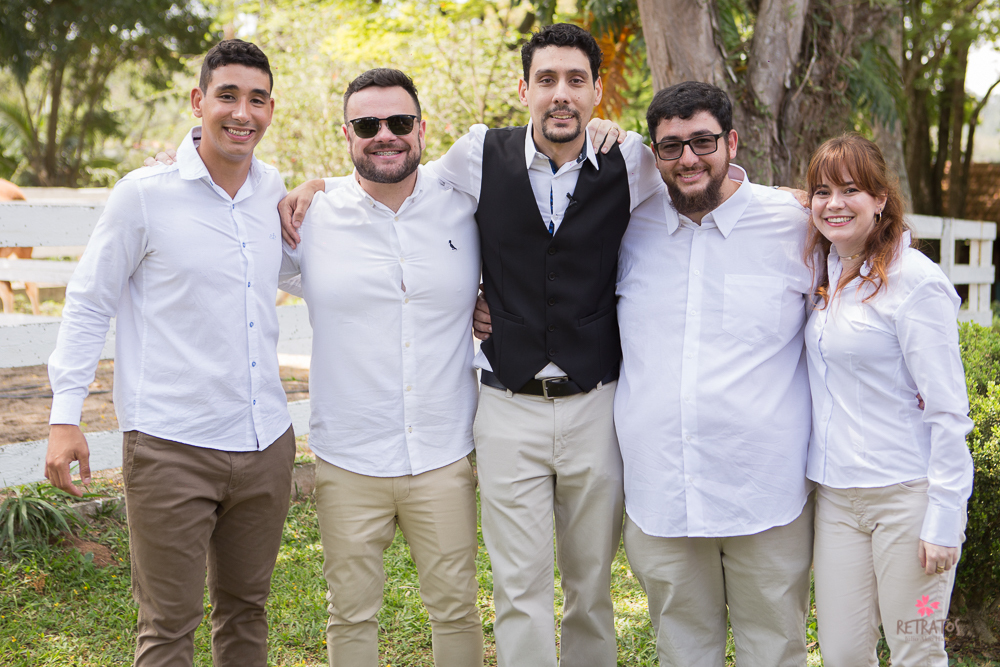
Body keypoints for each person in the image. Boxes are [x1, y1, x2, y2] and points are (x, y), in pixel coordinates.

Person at [280, 24, 660, 667]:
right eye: (546, 80)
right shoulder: (477, 154)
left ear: (599, 91)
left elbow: (705, 190)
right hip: (507, 405)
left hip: (598, 401)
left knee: (590, 587)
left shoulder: (634, 161)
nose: (560, 94)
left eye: (575, 80)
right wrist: (315, 185)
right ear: (523, 89)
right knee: (519, 588)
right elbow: (385, 171)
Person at [44, 40, 295, 666]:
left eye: (256, 99)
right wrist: (64, 414)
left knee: (247, 612)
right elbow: (88, 301)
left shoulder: (274, 190)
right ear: (198, 101)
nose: (242, 112)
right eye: (227, 95)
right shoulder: (144, 195)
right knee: (167, 627)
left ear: (271, 110)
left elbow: (327, 261)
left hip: (265, 442)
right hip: (170, 445)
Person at [278, 68, 484, 667]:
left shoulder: (465, 208)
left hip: (444, 454)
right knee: (350, 614)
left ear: (423, 129)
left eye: (398, 122)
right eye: (368, 124)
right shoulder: (307, 220)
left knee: (456, 609)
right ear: (346, 135)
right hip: (349, 457)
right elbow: (225, 222)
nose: (384, 135)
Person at [615, 81, 815, 666]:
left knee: (775, 649)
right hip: (662, 493)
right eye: (670, 147)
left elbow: (880, 253)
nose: (688, 159)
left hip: (766, 494)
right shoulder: (627, 226)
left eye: (702, 141)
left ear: (732, 141)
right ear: (655, 155)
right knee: (682, 650)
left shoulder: (795, 224)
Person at [803, 134, 973, 666]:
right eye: (822, 191)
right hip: (836, 500)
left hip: (908, 499)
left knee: (916, 647)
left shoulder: (916, 283)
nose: (834, 203)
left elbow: (948, 410)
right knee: (843, 653)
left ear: (880, 199)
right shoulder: (829, 268)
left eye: (851, 189)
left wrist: (945, 518)